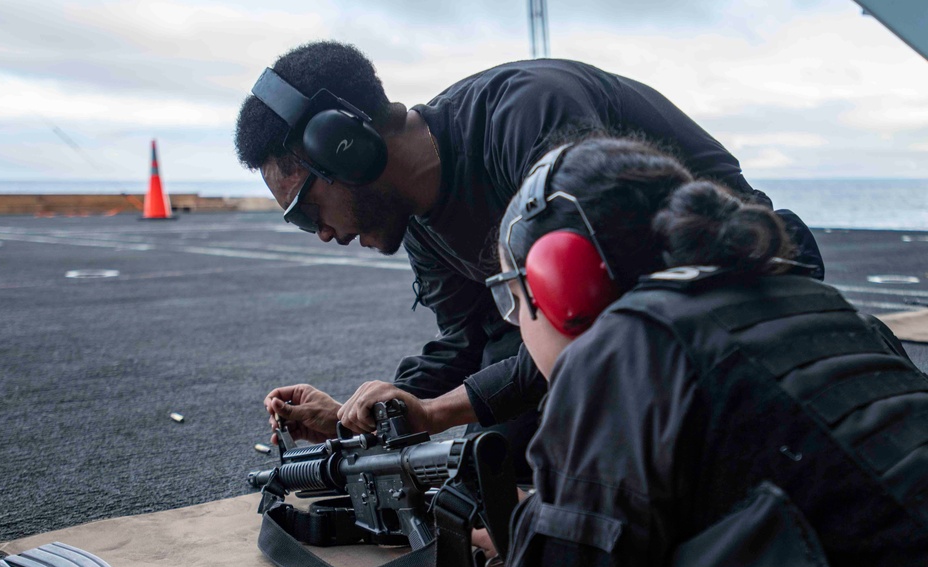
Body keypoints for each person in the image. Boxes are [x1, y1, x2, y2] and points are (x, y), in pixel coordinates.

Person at [235, 41, 824, 461]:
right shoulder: (418, 219)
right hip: (616, 327)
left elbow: (600, 318)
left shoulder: (528, 113)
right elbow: (469, 344)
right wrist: (359, 417)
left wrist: (439, 414)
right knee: (495, 458)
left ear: (344, 149)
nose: (322, 235)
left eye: (307, 210)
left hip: (736, 288)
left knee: (581, 467)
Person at [484, 135, 928, 567]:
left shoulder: (626, 352)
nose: (518, 325)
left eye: (514, 299)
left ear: (563, 284)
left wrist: (534, 541)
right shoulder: (826, 307)